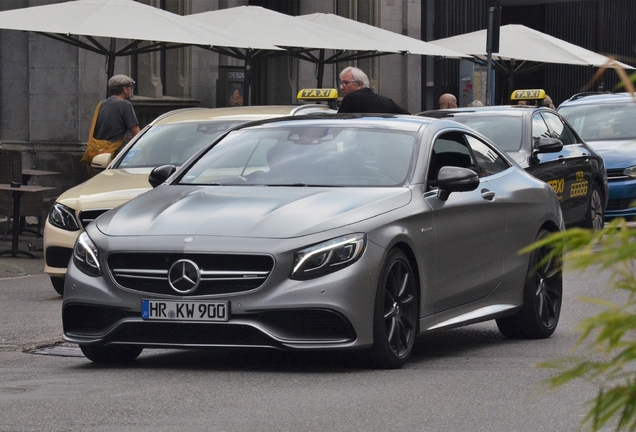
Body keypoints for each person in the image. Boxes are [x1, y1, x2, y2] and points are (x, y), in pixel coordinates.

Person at [81, 74, 140, 177]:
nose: (130, 91)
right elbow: (137, 135)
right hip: (114, 157)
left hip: (97, 156)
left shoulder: (102, 104)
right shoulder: (125, 105)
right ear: (125, 89)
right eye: (130, 88)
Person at [337, 66, 410, 114]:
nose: (342, 87)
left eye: (346, 83)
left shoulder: (350, 99)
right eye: (342, 83)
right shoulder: (387, 102)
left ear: (359, 84)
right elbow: (409, 117)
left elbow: (337, 126)